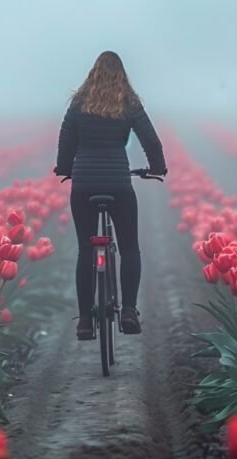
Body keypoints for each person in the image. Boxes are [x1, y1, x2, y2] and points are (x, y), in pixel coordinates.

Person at [54, 51, 167, 340]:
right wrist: (157, 168)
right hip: (118, 182)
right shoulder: (129, 103)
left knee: (85, 249)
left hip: (84, 183)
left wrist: (65, 167)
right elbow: (151, 141)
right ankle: (129, 309)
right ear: (122, 75)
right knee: (129, 247)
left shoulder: (79, 103)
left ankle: (85, 323)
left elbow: (65, 140)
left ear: (92, 73)